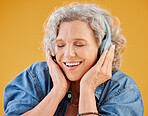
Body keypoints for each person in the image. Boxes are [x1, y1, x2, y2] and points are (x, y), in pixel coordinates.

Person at [3, 3, 144, 116]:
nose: (68, 53)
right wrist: (57, 90)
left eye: (79, 44)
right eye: (60, 45)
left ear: (104, 49)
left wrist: (87, 89)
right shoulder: (36, 77)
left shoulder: (123, 90)